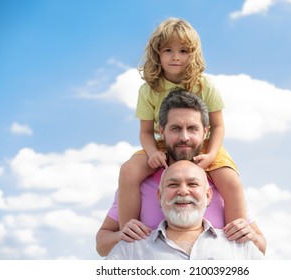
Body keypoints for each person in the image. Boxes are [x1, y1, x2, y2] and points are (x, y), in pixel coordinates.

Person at [96, 89, 267, 256]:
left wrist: (252, 237)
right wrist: (121, 236)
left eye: (193, 128)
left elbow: (259, 248)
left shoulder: (223, 184)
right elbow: (102, 245)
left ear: (205, 132)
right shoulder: (139, 183)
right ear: (161, 131)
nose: (184, 137)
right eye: (176, 128)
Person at [118, 17, 247, 235]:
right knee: (128, 171)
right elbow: (146, 131)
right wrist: (151, 153)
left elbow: (217, 127)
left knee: (230, 180)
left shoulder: (205, 85)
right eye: (168, 50)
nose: (175, 57)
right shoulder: (148, 90)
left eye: (183, 51)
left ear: (193, 54)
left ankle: (238, 235)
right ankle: (129, 233)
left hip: (204, 145)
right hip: (163, 144)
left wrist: (212, 154)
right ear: (157, 53)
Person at [106, 160, 264, 260]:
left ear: (208, 195)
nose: (183, 191)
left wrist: (253, 239)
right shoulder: (131, 249)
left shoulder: (240, 246)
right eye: (173, 185)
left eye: (193, 184)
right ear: (159, 196)